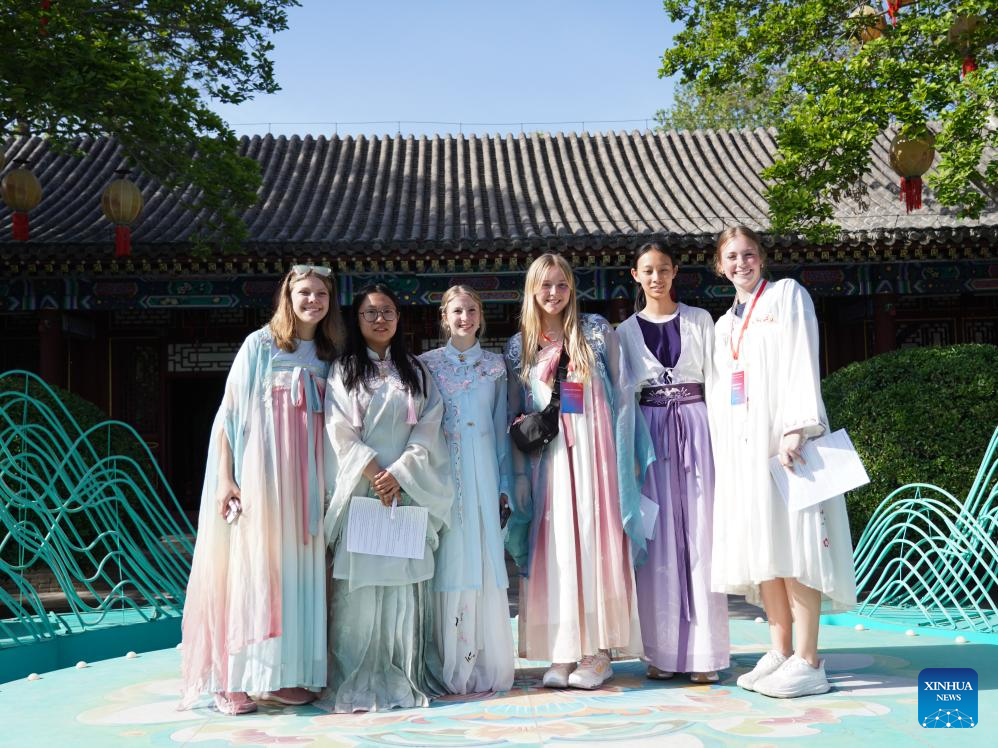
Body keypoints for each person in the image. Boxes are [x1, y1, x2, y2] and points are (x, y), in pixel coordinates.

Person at [180, 264, 344, 715]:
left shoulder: (329, 355)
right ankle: (231, 679)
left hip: (307, 482)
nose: (313, 301)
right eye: (305, 293)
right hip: (263, 478)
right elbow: (228, 415)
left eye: (321, 295)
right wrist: (226, 478)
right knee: (252, 571)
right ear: (288, 297)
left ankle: (281, 675)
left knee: (296, 575)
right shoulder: (260, 345)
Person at [708, 226, 857, 698]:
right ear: (719, 266)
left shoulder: (787, 296)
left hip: (786, 440)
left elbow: (801, 359)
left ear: (762, 257)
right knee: (765, 546)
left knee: (796, 544)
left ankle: (809, 659)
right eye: (732, 257)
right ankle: (780, 650)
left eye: (749, 254)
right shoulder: (723, 325)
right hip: (744, 450)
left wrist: (799, 425)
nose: (741, 264)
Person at [505, 253, 642, 690]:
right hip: (550, 463)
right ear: (532, 290)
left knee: (594, 541)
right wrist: (517, 478)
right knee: (559, 547)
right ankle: (562, 650)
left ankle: (598, 652)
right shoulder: (519, 346)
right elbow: (516, 413)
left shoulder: (596, 331)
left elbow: (623, 394)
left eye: (562, 284)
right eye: (545, 285)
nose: (554, 293)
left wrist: (625, 457)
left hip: (596, 456)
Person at [319, 283, 452, 713]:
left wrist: (399, 473)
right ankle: (355, 677)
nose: (380, 319)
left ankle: (402, 674)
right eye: (370, 312)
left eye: (388, 311)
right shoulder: (343, 370)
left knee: (401, 589)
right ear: (356, 320)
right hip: (363, 489)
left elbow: (429, 428)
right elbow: (339, 429)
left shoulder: (415, 371)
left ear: (399, 318)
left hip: (404, 491)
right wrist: (374, 472)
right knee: (359, 594)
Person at [617, 242, 730, 683]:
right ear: (635, 275)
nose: (656, 278)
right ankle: (661, 652)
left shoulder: (700, 320)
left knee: (702, 534)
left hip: (698, 429)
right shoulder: (624, 332)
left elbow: (717, 382)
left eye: (663, 269)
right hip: (649, 436)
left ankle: (705, 654)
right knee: (658, 538)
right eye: (648, 270)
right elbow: (623, 397)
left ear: (675, 272)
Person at [420, 285, 515, 694]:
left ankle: (485, 662)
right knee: (451, 556)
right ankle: (451, 662)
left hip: (485, 472)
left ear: (481, 316)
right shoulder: (426, 365)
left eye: (472, 310)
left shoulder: (495, 366)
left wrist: (504, 482)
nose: (465, 318)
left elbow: (502, 425)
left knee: (484, 557)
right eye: (457, 311)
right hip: (445, 471)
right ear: (445, 317)